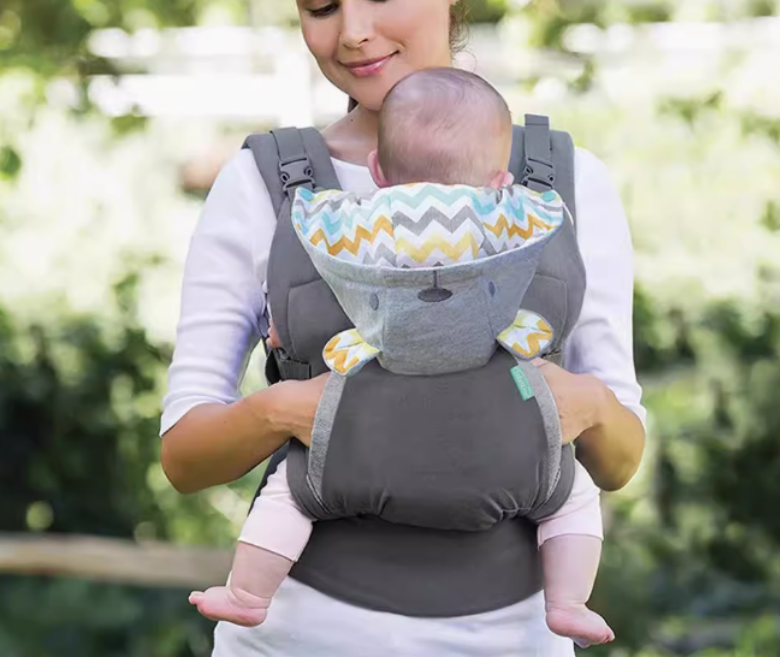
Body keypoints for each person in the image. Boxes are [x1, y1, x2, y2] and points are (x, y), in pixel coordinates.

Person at [160, 0, 646, 655]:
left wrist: (589, 404)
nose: (353, 32)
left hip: (515, 638)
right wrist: (285, 409)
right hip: (300, 636)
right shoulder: (265, 185)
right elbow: (184, 454)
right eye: (319, 5)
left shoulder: (565, 183)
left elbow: (621, 456)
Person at [188, 68, 613, 648]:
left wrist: (285, 400)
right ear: (499, 178)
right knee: (575, 497)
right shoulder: (525, 210)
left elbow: (310, 221)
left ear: (379, 175)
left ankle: (247, 594)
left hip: (351, 433)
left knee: (289, 493)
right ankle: (569, 604)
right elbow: (546, 224)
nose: (357, 31)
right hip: (515, 438)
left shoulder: (349, 220)